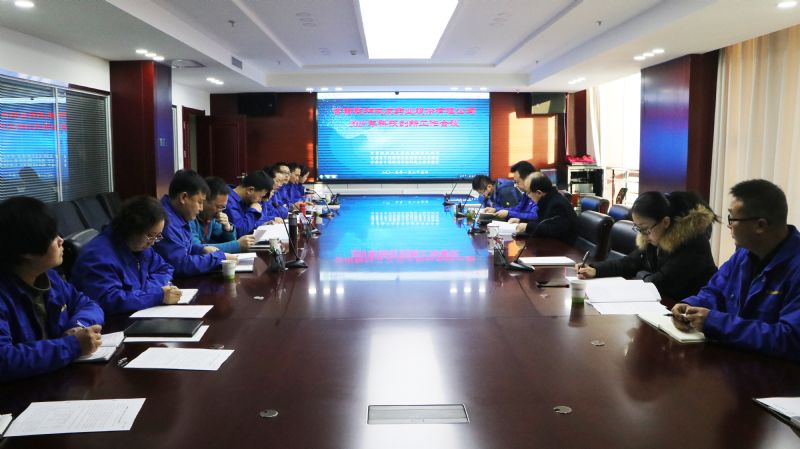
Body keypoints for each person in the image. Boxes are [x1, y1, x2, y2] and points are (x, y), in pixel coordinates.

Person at [671, 179, 800, 361]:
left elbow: (790, 339)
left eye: (732, 218)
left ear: (760, 225)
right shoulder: (743, 255)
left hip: (775, 373)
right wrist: (690, 306)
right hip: (736, 361)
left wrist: (716, 323)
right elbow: (715, 291)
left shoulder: (795, 266)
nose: (729, 225)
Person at [0, 197, 103, 382]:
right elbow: (4, 360)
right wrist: (71, 346)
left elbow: (88, 304)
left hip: (56, 379)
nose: (61, 240)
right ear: (26, 252)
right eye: (52, 237)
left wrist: (77, 326)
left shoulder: (49, 277)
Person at [576, 191, 718, 300]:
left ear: (665, 222)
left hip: (690, 313)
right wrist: (595, 269)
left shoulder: (692, 242)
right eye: (638, 228)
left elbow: (661, 282)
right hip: (664, 305)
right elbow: (630, 263)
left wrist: (636, 279)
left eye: (645, 229)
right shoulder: (655, 235)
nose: (642, 235)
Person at [71, 196, 180, 315]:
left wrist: (149, 290)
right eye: (150, 235)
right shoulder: (97, 256)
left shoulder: (141, 247)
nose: (153, 242)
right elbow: (109, 301)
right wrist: (156, 295)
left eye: (158, 236)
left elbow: (165, 268)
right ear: (132, 228)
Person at [154, 170, 235, 277]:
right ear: (183, 197)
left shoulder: (179, 215)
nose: (201, 208)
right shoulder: (165, 221)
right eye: (199, 202)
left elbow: (184, 248)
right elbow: (181, 265)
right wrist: (219, 257)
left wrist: (201, 249)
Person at [191, 177, 254, 253]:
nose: (220, 211)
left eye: (223, 207)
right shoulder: (190, 217)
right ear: (204, 201)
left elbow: (228, 242)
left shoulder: (212, 219)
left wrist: (227, 228)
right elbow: (197, 248)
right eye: (219, 207)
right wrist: (237, 245)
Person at [515, 172, 577, 244]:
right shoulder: (547, 200)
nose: (528, 196)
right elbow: (541, 221)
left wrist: (527, 227)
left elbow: (552, 230)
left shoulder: (558, 205)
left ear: (539, 193)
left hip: (563, 246)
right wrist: (521, 221)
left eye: (528, 192)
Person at [225, 170, 273, 236]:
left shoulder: (246, 199)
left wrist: (262, 224)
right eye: (261, 196)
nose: (260, 201)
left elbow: (249, 222)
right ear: (250, 190)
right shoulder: (227, 200)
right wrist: (253, 212)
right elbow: (239, 231)